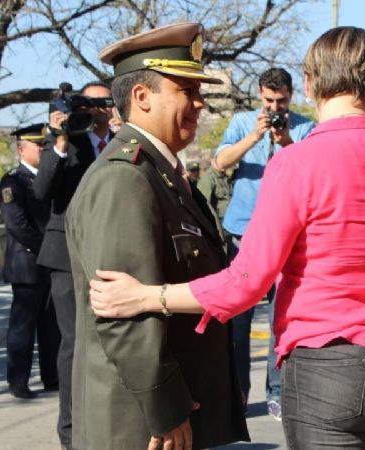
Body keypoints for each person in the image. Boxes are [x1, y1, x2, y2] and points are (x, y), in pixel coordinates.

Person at [89, 26, 365, 449]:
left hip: (329, 370)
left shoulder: (295, 164)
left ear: (308, 85)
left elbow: (246, 284)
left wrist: (149, 297)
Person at [64, 23, 249, 449]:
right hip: (143, 424)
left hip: (177, 412)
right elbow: (121, 314)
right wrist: (166, 410)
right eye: (186, 88)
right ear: (142, 97)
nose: (199, 102)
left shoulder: (164, 175)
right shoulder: (125, 179)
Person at [214, 67, 316, 419]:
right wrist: (255, 137)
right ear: (260, 95)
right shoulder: (243, 123)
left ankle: (276, 391)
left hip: (287, 238)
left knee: (279, 323)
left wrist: (285, 140)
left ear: (292, 97)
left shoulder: (305, 127)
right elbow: (220, 163)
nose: (276, 107)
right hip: (244, 235)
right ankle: (237, 394)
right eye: (270, 101)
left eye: (283, 101)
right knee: (237, 323)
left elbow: (311, 170)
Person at [33, 80, 115, 449]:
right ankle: (70, 430)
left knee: (110, 339)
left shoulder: (120, 143)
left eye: (103, 103)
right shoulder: (66, 141)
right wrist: (59, 139)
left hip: (108, 254)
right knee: (74, 342)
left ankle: (106, 418)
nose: (96, 110)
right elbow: (42, 190)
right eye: (88, 104)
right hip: (66, 255)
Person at [0, 124, 60, 399]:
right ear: (22, 149)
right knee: (23, 326)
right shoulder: (13, 180)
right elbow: (17, 224)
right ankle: (18, 380)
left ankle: (52, 376)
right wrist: (47, 247)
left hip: (49, 263)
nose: (44, 150)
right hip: (27, 263)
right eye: (39, 146)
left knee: (51, 327)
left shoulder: (49, 177)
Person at [196, 156, 233, 228]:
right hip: (219, 221)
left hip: (230, 218)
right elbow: (203, 205)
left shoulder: (225, 177)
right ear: (213, 161)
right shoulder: (208, 179)